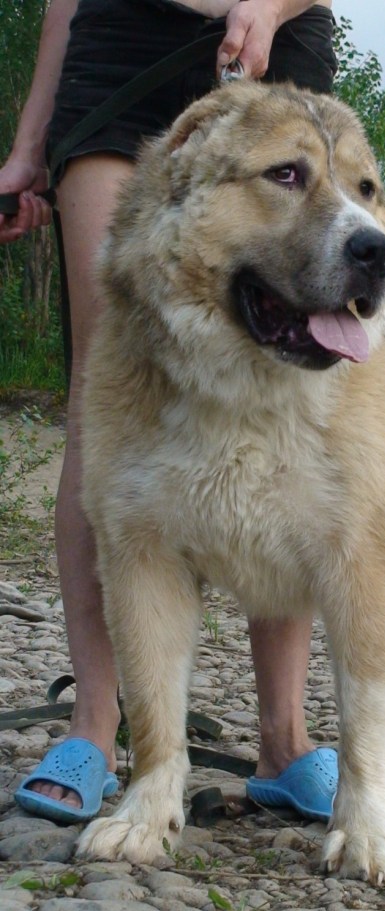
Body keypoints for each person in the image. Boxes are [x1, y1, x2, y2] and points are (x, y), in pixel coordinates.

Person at [0, 0, 338, 824]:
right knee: (106, 387)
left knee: (281, 389)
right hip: (120, 49)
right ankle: (96, 725)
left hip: (276, 46)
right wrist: (28, 145)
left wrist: (268, 6)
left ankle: (283, 736)